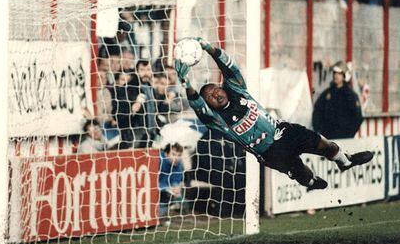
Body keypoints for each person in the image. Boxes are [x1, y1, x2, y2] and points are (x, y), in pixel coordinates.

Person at [175, 38, 373, 191]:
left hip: (282, 130)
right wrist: (186, 82)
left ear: (222, 88)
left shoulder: (237, 91)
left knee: (323, 143)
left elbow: (230, 67)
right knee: (301, 173)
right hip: (269, 152)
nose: (214, 94)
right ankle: (311, 181)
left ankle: (344, 162)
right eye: (209, 96)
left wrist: (209, 48)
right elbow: (198, 107)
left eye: (214, 89)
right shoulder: (218, 121)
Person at [313, 61, 363, 139]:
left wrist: (349, 134)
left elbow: (357, 117)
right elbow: (317, 110)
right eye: (334, 73)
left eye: (339, 73)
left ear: (344, 76)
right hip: (328, 138)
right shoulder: (327, 94)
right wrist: (319, 130)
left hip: (344, 138)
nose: (336, 75)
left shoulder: (350, 95)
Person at [159, 142, 184, 220]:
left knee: (180, 196)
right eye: (173, 154)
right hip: (151, 193)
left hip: (164, 195)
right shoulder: (158, 161)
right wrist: (166, 188)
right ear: (166, 154)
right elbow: (150, 182)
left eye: (179, 155)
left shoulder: (178, 165)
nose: (176, 158)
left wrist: (176, 188)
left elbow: (176, 180)